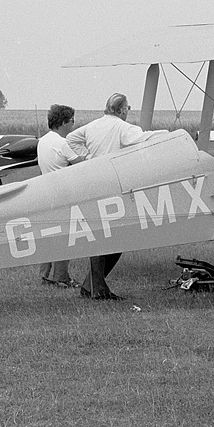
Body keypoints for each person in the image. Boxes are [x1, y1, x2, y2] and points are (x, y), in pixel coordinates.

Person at [66, 93, 167, 300]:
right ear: (121, 110)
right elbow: (143, 138)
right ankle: (97, 289)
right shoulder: (122, 127)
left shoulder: (93, 126)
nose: (127, 112)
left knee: (104, 239)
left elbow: (70, 139)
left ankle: (91, 285)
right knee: (113, 240)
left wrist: (88, 158)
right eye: (127, 108)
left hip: (93, 185)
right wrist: (168, 134)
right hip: (113, 186)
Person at [36, 104, 85, 288]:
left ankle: (45, 274)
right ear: (64, 122)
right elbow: (80, 164)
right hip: (62, 195)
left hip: (46, 193)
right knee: (65, 236)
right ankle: (62, 277)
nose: (73, 124)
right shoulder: (61, 143)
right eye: (72, 121)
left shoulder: (43, 141)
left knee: (48, 235)